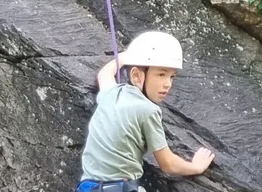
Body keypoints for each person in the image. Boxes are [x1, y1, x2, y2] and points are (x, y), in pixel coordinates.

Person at [79, 31, 216, 191]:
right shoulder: (148, 110)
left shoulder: (112, 94)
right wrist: (196, 167)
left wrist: (124, 57)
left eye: (172, 77)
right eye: (161, 74)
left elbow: (105, 73)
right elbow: (168, 164)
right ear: (136, 75)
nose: (167, 84)